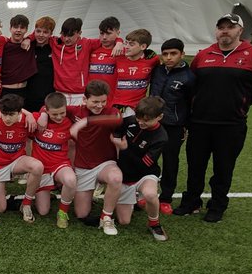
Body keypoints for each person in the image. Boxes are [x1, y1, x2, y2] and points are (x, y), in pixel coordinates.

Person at [175, 13, 252, 223]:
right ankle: (191, 201)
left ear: (240, 31)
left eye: (230, 27)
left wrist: (240, 105)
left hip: (231, 125)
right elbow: (192, 86)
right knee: (195, 165)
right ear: (216, 31)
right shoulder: (203, 55)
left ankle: (217, 206)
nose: (225, 31)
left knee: (223, 167)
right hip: (200, 123)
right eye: (221, 27)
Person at [66, 80, 125, 233]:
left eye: (103, 101)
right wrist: (41, 116)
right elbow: (49, 107)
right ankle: (94, 190)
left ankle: (106, 217)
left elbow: (118, 119)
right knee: (81, 214)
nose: (100, 105)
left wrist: (86, 121)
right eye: (95, 102)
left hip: (106, 163)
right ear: (85, 100)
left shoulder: (111, 112)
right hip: (84, 166)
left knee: (116, 178)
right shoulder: (74, 111)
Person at [111, 96, 169, 241]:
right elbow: (117, 129)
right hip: (125, 176)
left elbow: (144, 164)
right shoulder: (131, 120)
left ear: (160, 117)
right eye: (139, 118)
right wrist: (116, 137)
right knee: (124, 221)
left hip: (145, 174)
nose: (141, 122)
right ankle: (137, 200)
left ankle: (154, 224)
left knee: (150, 194)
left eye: (146, 120)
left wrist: (124, 149)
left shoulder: (161, 137)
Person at [0, 93, 43, 224]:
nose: (7, 118)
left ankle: (26, 204)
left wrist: (32, 115)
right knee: (1, 208)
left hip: (17, 161)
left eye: (11, 115)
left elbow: (47, 108)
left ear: (19, 112)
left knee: (38, 166)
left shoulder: (27, 120)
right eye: (4, 114)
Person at [148, 38, 194, 215]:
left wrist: (186, 126)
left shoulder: (189, 77)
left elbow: (191, 104)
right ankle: (146, 192)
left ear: (182, 54)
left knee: (170, 161)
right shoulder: (157, 71)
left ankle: (166, 197)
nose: (169, 57)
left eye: (173, 54)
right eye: (165, 54)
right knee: (149, 158)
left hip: (174, 126)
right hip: (152, 123)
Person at [30, 92, 78, 226]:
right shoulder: (38, 120)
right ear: (46, 110)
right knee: (43, 211)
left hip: (60, 164)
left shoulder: (69, 122)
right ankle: (46, 191)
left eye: (62, 113)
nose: (59, 117)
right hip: (41, 169)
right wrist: (34, 115)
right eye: (54, 114)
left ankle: (63, 212)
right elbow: (20, 114)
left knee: (71, 179)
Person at [52, 17, 100, 103]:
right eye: (64, 35)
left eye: (70, 35)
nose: (66, 39)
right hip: (59, 94)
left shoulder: (87, 43)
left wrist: (119, 41)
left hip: (80, 95)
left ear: (79, 33)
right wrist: (29, 39)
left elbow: (107, 40)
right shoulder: (55, 43)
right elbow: (39, 34)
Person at [111, 28, 157, 111]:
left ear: (143, 46)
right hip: (116, 106)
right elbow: (104, 41)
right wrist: (119, 41)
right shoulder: (119, 55)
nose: (127, 47)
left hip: (137, 108)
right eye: (126, 43)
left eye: (131, 44)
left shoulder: (152, 59)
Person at [0, 14, 37, 108]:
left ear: (26, 30)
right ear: (10, 28)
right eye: (15, 27)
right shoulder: (4, 45)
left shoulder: (31, 45)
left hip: (24, 91)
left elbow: (39, 32)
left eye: (22, 28)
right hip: (6, 91)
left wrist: (29, 38)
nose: (18, 30)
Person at [24, 17, 56, 113]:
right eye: (38, 31)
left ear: (51, 34)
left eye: (45, 32)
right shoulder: (28, 46)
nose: (41, 35)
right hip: (29, 97)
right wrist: (29, 38)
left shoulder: (55, 47)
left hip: (49, 97)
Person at [85, 17, 123, 94]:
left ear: (118, 33)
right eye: (102, 33)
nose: (104, 37)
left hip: (112, 100)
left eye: (109, 33)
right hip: (92, 99)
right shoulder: (91, 49)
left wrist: (119, 41)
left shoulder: (123, 52)